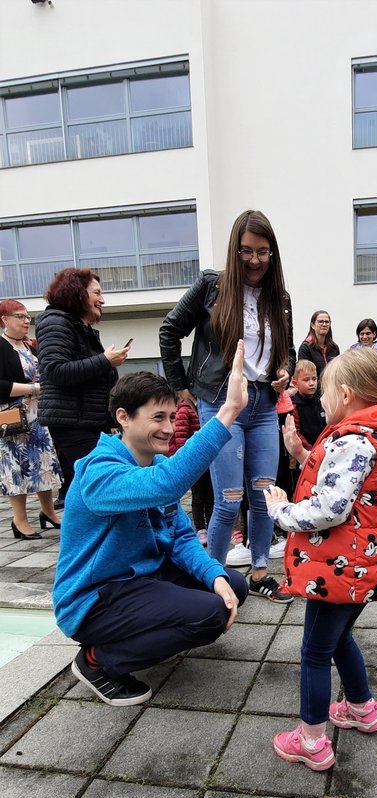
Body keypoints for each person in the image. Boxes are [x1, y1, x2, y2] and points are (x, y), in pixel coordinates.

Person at [264, 347, 377, 771]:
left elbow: (331, 508)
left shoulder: (353, 438)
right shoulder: (376, 436)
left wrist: (280, 512)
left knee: (314, 652)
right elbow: (355, 484)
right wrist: (303, 454)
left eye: (324, 392)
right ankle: (361, 708)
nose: (321, 401)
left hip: (337, 568)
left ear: (344, 394)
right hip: (363, 568)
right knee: (338, 639)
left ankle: (311, 740)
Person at [56, 343, 251, 706]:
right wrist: (229, 411)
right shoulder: (97, 472)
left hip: (140, 580)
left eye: (171, 416)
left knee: (232, 586)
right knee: (210, 615)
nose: (169, 427)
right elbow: (167, 485)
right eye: (157, 417)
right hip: (95, 599)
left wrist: (214, 575)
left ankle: (149, 630)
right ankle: (98, 660)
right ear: (124, 417)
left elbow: (180, 536)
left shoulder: (154, 466)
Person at [160, 209, 296, 601]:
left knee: (263, 497)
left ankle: (257, 573)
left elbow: (282, 349)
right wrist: (181, 386)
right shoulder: (211, 287)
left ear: (273, 254)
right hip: (221, 402)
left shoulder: (280, 298)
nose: (255, 260)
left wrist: (283, 370)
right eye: (246, 251)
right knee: (228, 499)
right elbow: (169, 330)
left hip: (264, 405)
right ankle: (212, 580)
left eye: (263, 252)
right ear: (234, 251)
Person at [36, 268, 130, 506]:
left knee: (91, 484)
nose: (103, 299)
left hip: (85, 420)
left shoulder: (78, 326)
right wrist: (105, 360)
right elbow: (56, 371)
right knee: (101, 484)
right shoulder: (56, 322)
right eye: (96, 292)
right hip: (72, 423)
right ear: (77, 293)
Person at [0, 300, 62, 539]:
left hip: (38, 416)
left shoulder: (31, 345)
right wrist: (34, 388)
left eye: (28, 317)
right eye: (20, 316)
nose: (26, 321)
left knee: (43, 465)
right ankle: (20, 520)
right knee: (17, 468)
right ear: (4, 319)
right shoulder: (2, 346)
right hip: (13, 417)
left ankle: (48, 512)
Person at [167, 398, 213, 545]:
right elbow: (180, 437)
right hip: (193, 460)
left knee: (210, 495)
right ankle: (200, 529)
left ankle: (211, 526)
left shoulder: (207, 407)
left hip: (209, 459)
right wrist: (186, 460)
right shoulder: (185, 409)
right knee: (198, 495)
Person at [290, 359, 327, 451]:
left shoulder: (322, 401)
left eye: (314, 379)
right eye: (306, 380)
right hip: (305, 451)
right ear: (295, 383)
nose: (311, 383)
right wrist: (310, 449)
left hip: (324, 447)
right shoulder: (294, 405)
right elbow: (296, 432)